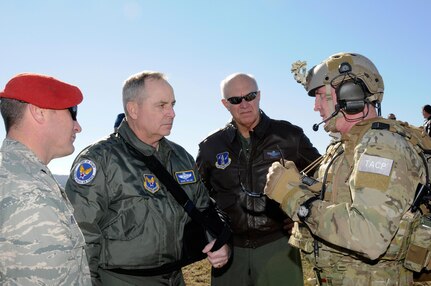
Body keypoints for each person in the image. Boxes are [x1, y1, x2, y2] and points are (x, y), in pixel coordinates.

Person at [265, 52, 431, 285]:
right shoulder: (347, 146)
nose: (315, 107)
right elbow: (342, 200)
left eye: (321, 96)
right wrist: (298, 184)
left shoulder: (380, 147)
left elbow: (369, 235)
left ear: (349, 95)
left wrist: (296, 200)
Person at [65, 71, 230, 286]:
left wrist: (221, 241)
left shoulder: (180, 157)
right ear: (133, 109)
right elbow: (81, 235)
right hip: (121, 280)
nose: (172, 113)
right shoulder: (101, 160)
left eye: (172, 104)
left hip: (175, 277)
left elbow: (204, 209)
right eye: (161, 105)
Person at [196, 73, 321, 286]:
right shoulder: (211, 147)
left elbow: (323, 177)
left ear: (259, 96)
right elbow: (198, 198)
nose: (244, 104)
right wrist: (213, 235)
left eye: (250, 96)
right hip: (230, 251)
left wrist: (302, 217)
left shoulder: (290, 136)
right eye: (236, 100)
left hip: (279, 247)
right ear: (225, 104)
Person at [0, 73, 91, 285]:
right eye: (73, 113)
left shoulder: (16, 173)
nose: (78, 126)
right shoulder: (29, 193)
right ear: (39, 112)